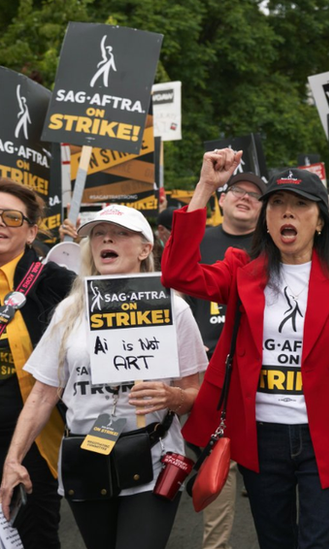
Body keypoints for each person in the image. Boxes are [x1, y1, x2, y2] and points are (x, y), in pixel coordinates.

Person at [161, 151, 329, 548]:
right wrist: (206, 187)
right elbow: (177, 273)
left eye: (301, 205)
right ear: (266, 220)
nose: (288, 213)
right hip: (261, 434)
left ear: (320, 220)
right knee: (275, 541)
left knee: (318, 542)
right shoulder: (241, 271)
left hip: (327, 433)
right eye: (278, 204)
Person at [1, 204, 206, 548]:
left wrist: (174, 398)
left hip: (153, 457)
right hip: (87, 457)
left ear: (145, 249)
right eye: (98, 233)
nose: (106, 238)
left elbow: (195, 392)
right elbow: (42, 394)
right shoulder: (69, 310)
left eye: (121, 232)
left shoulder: (172, 306)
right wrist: (13, 459)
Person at [186, 171, 264, 549]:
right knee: (219, 465)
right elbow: (178, 290)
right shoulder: (202, 239)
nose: (245, 198)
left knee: (270, 470)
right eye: (238, 191)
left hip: (259, 375)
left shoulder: (272, 247)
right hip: (211, 371)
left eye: (255, 194)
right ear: (222, 199)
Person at [0, 180, 74, 548]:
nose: (0, 222)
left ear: (31, 231)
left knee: (33, 537)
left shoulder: (58, 284)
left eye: (11, 217)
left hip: (34, 443)